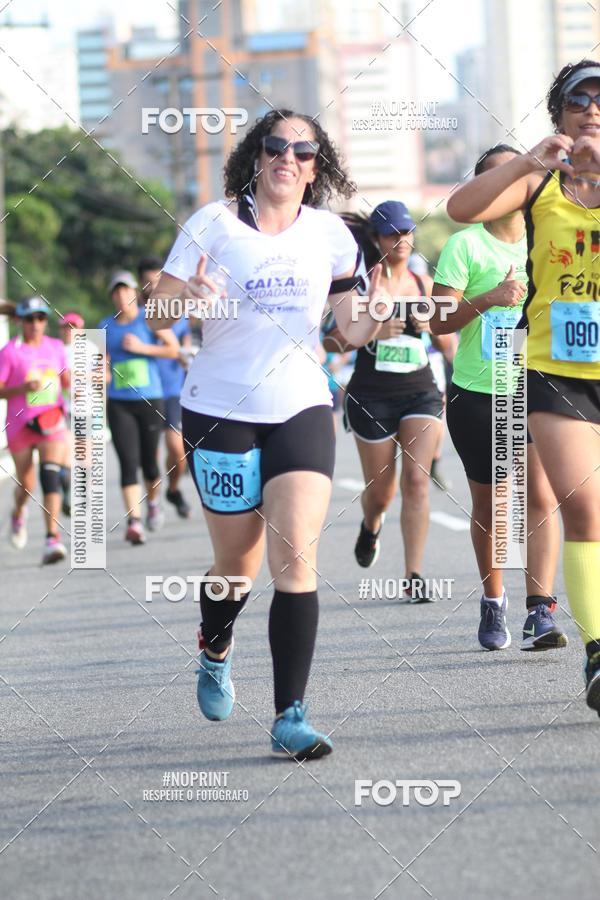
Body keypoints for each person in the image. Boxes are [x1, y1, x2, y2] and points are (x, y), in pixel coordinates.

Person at [147, 108, 387, 759]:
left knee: (295, 559)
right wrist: (187, 300)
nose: (288, 158)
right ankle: (216, 643)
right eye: (276, 146)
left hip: (301, 403)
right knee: (237, 564)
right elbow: (154, 308)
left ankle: (290, 715)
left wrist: (375, 318)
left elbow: (347, 326)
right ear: (256, 156)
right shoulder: (213, 223)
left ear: (317, 167)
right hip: (219, 406)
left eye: (303, 151)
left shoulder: (332, 234)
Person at [447, 61, 600, 713]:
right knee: (585, 509)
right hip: (555, 371)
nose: (592, 107)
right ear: (559, 115)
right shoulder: (539, 183)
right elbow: (462, 208)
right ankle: (597, 652)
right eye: (578, 99)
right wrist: (527, 163)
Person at [432, 145, 565, 652]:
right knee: (492, 507)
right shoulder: (465, 246)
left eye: (522, 173)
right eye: (500, 177)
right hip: (479, 393)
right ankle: (493, 599)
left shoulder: (547, 238)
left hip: (536, 387)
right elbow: (437, 320)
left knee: (541, 496)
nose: (513, 184)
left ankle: (540, 609)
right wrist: (488, 299)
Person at [324, 202, 454, 601]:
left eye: (406, 232)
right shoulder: (359, 285)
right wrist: (374, 333)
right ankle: (371, 525)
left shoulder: (422, 281)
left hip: (420, 391)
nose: (400, 240)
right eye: (391, 233)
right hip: (371, 395)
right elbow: (331, 341)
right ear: (376, 240)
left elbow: (446, 342)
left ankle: (413, 574)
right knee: (381, 492)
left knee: (417, 481)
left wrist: (432, 326)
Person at [100, 271, 179, 544]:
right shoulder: (105, 326)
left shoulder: (150, 317)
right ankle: (134, 521)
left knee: (149, 464)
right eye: (116, 291)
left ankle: (153, 502)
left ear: (134, 292)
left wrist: (143, 348)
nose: (121, 295)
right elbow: (101, 363)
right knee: (128, 462)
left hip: (149, 399)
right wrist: (102, 373)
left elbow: (173, 349)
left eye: (125, 290)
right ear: (112, 296)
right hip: (119, 403)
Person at [0, 296, 69, 564]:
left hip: (51, 420)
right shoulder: (9, 352)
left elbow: (65, 380)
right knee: (26, 485)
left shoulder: (55, 347)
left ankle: (52, 538)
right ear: (20, 321)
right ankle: (18, 513)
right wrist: (23, 389)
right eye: (30, 319)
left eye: (41, 318)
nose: (36, 324)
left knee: (49, 474)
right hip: (20, 425)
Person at [137, 257, 192, 518]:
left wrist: (185, 356)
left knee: (177, 450)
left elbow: (184, 348)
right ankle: (153, 502)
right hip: (143, 391)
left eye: (157, 280)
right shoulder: (131, 314)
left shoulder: (176, 312)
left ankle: (173, 488)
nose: (153, 286)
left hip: (171, 390)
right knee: (150, 455)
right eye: (148, 282)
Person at [57, 311, 85, 517]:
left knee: (84, 456)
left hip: (86, 408)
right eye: (66, 327)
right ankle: (69, 493)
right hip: (61, 410)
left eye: (73, 327)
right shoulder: (55, 350)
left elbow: (106, 376)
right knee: (66, 456)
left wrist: (85, 377)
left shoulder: (90, 349)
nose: (69, 331)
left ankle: (78, 495)